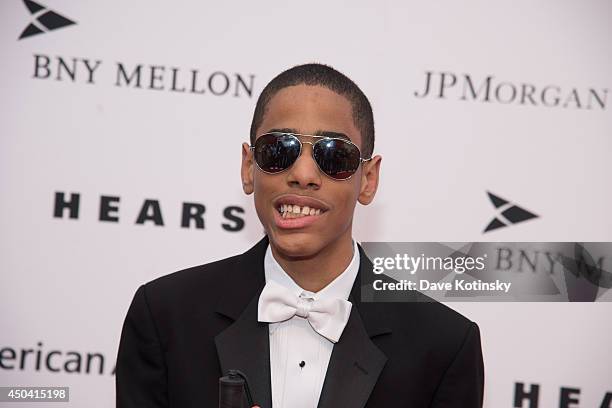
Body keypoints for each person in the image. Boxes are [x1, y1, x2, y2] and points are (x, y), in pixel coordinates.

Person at [115, 63, 484, 408]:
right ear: (249, 167)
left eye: (334, 155)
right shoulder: (165, 316)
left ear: (367, 180)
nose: (303, 173)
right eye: (279, 149)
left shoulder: (443, 345)